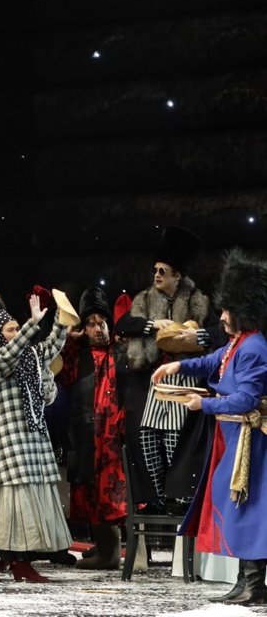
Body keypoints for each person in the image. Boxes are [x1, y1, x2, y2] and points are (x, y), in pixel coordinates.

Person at [159, 249, 267, 604]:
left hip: (249, 441)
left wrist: (203, 404)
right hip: (232, 437)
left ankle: (254, 583)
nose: (221, 317)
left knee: (248, 510)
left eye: (227, 310)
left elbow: (245, 400)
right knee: (238, 509)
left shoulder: (253, 348)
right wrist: (178, 367)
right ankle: (245, 581)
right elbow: (212, 362)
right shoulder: (238, 343)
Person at [0, 285, 71, 583]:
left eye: (17, 328)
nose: (17, 332)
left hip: (29, 438)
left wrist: (61, 319)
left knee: (27, 497)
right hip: (2, 438)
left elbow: (52, 346)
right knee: (5, 498)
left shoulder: (29, 356)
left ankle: (21, 562)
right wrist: (31, 324)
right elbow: (9, 352)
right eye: (11, 329)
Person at [116, 227, 214, 514]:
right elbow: (123, 324)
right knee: (148, 436)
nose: (157, 275)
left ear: (177, 276)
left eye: (163, 271)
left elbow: (214, 332)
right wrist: (151, 325)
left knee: (175, 439)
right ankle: (157, 496)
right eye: (155, 270)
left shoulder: (197, 300)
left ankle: (179, 497)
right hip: (155, 378)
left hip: (184, 375)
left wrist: (194, 337)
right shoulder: (145, 299)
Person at [60, 285, 127, 571]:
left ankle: (113, 553)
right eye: (90, 324)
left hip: (111, 435)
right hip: (86, 433)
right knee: (89, 488)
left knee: (110, 491)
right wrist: (69, 340)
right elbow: (63, 375)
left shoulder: (120, 351)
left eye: (101, 322)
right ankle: (103, 546)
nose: (97, 329)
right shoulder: (79, 355)